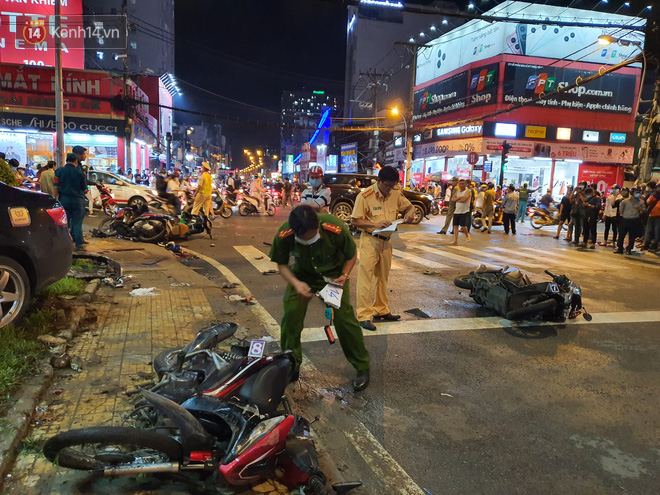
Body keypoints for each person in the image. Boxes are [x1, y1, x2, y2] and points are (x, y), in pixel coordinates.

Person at [269, 205, 370, 391]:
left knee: (344, 320)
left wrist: (345, 275)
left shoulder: (335, 228)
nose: (308, 241)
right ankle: (292, 365)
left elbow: (351, 255)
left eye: (311, 237)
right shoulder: (285, 233)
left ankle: (362, 366)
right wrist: (295, 283)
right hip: (301, 276)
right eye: (303, 239)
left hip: (332, 278)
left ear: (318, 227)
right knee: (291, 318)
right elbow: (281, 264)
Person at [350, 166, 415, 331]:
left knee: (383, 278)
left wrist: (410, 212)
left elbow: (409, 206)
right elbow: (355, 221)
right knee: (366, 278)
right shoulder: (365, 196)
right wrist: (374, 224)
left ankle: (381, 310)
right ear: (378, 181)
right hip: (370, 240)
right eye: (387, 186)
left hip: (387, 241)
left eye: (393, 186)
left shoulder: (394, 193)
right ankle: (363, 316)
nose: (389, 190)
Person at [54, 153, 87, 251]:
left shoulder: (59, 171)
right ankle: (79, 244)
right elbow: (84, 189)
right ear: (76, 161)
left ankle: (64, 243)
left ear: (66, 160)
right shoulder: (80, 173)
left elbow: (56, 186)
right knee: (77, 222)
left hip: (64, 199)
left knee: (65, 223)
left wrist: (54, 199)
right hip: (78, 200)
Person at [616, 188, 645, 255]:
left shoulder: (641, 202)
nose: (637, 194)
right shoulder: (625, 201)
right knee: (621, 235)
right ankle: (620, 248)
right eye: (636, 192)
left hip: (634, 220)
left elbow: (644, 210)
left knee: (632, 236)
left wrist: (640, 209)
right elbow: (621, 211)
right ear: (631, 193)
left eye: (638, 192)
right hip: (625, 219)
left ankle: (629, 249)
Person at [450, 179, 472, 245]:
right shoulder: (458, 192)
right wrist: (459, 198)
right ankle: (455, 240)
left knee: (463, 226)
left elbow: (464, 199)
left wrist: (457, 199)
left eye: (463, 183)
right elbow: (452, 199)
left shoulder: (468, 191)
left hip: (464, 211)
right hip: (457, 211)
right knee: (455, 226)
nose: (461, 185)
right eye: (460, 184)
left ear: (465, 184)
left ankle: (467, 235)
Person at [642, 181, 660, 252]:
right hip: (652, 214)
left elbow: (648, 201)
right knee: (650, 230)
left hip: (657, 216)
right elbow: (648, 201)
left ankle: (654, 245)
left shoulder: (654, 195)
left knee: (656, 231)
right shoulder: (654, 195)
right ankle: (647, 244)